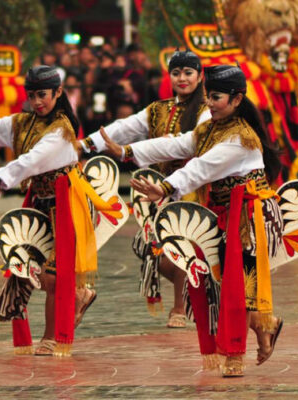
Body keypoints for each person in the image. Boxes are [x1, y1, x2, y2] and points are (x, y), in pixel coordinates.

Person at [101, 64, 284, 377]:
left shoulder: (241, 137)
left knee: (239, 288)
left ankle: (239, 351)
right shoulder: (211, 128)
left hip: (250, 219)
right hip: (224, 213)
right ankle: (266, 327)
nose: (210, 103)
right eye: (208, 97)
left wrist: (165, 187)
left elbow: (201, 167)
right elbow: (177, 144)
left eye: (216, 97)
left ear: (237, 99)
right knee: (227, 285)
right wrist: (128, 151)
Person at [0, 65, 108, 356]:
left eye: (43, 95)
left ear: (58, 93)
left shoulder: (61, 129)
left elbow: (32, 160)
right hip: (40, 201)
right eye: (32, 96)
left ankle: (51, 336)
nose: (37, 102)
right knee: (28, 268)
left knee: (54, 276)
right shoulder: (25, 122)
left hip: (68, 203)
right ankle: (80, 296)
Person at [81, 50, 211, 328]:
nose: (182, 78)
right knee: (154, 251)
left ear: (200, 76)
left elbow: (188, 143)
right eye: (176, 73)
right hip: (156, 190)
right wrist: (85, 145)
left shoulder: (207, 111)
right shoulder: (157, 109)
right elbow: (123, 128)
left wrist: (129, 151)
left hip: (193, 186)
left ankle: (179, 307)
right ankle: (196, 292)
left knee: (180, 246)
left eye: (188, 73)